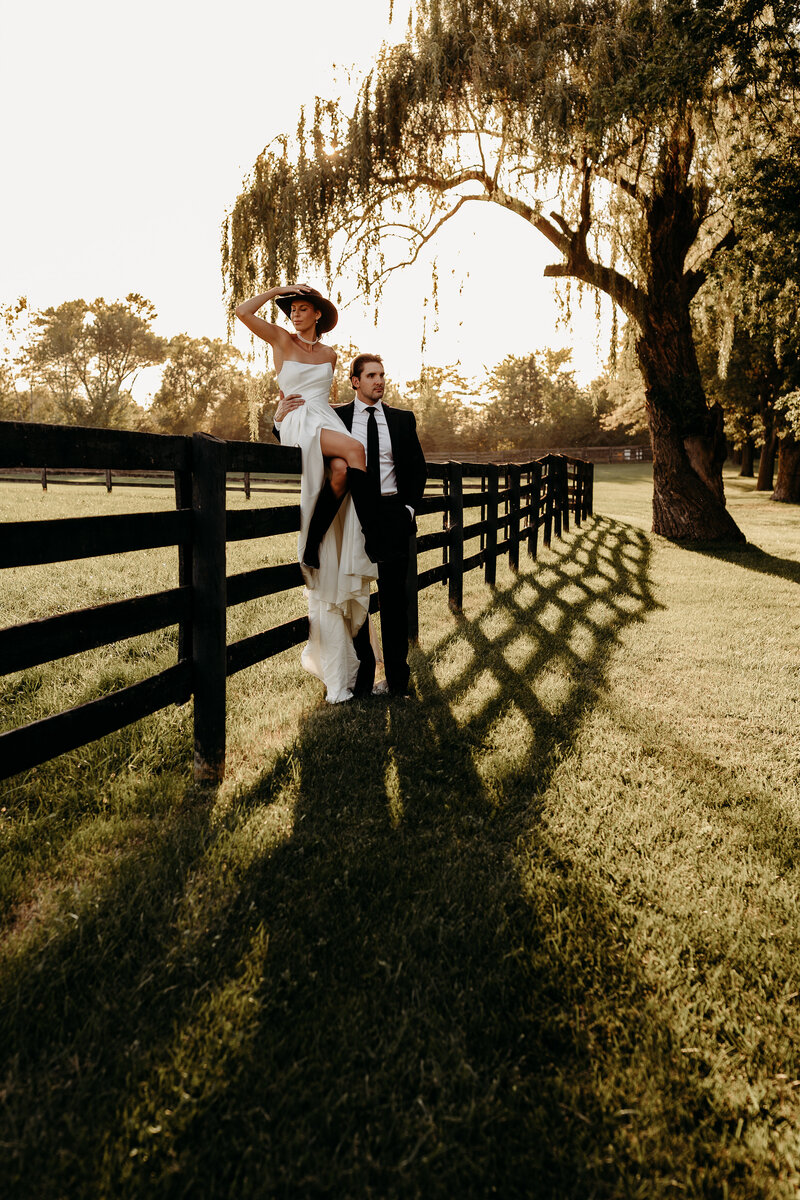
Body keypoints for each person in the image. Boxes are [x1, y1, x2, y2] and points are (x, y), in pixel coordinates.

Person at [236, 284, 379, 704]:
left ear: (317, 314)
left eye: (301, 310)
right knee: (355, 451)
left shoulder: (332, 356)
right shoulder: (282, 340)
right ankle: (321, 540)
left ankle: (316, 542)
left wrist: (338, 416)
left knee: (341, 469)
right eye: (292, 309)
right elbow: (242, 312)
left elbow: (328, 401)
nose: (295, 315)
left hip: (322, 416)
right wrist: (278, 291)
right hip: (296, 419)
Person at [275, 353, 427, 697]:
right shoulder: (337, 417)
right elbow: (303, 440)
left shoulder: (403, 420)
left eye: (382, 375)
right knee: (353, 592)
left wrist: (407, 510)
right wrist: (278, 420)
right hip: (351, 515)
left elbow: (418, 470)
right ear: (355, 381)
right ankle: (362, 673)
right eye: (371, 375)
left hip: (391, 515)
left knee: (393, 600)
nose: (380, 381)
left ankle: (399, 683)